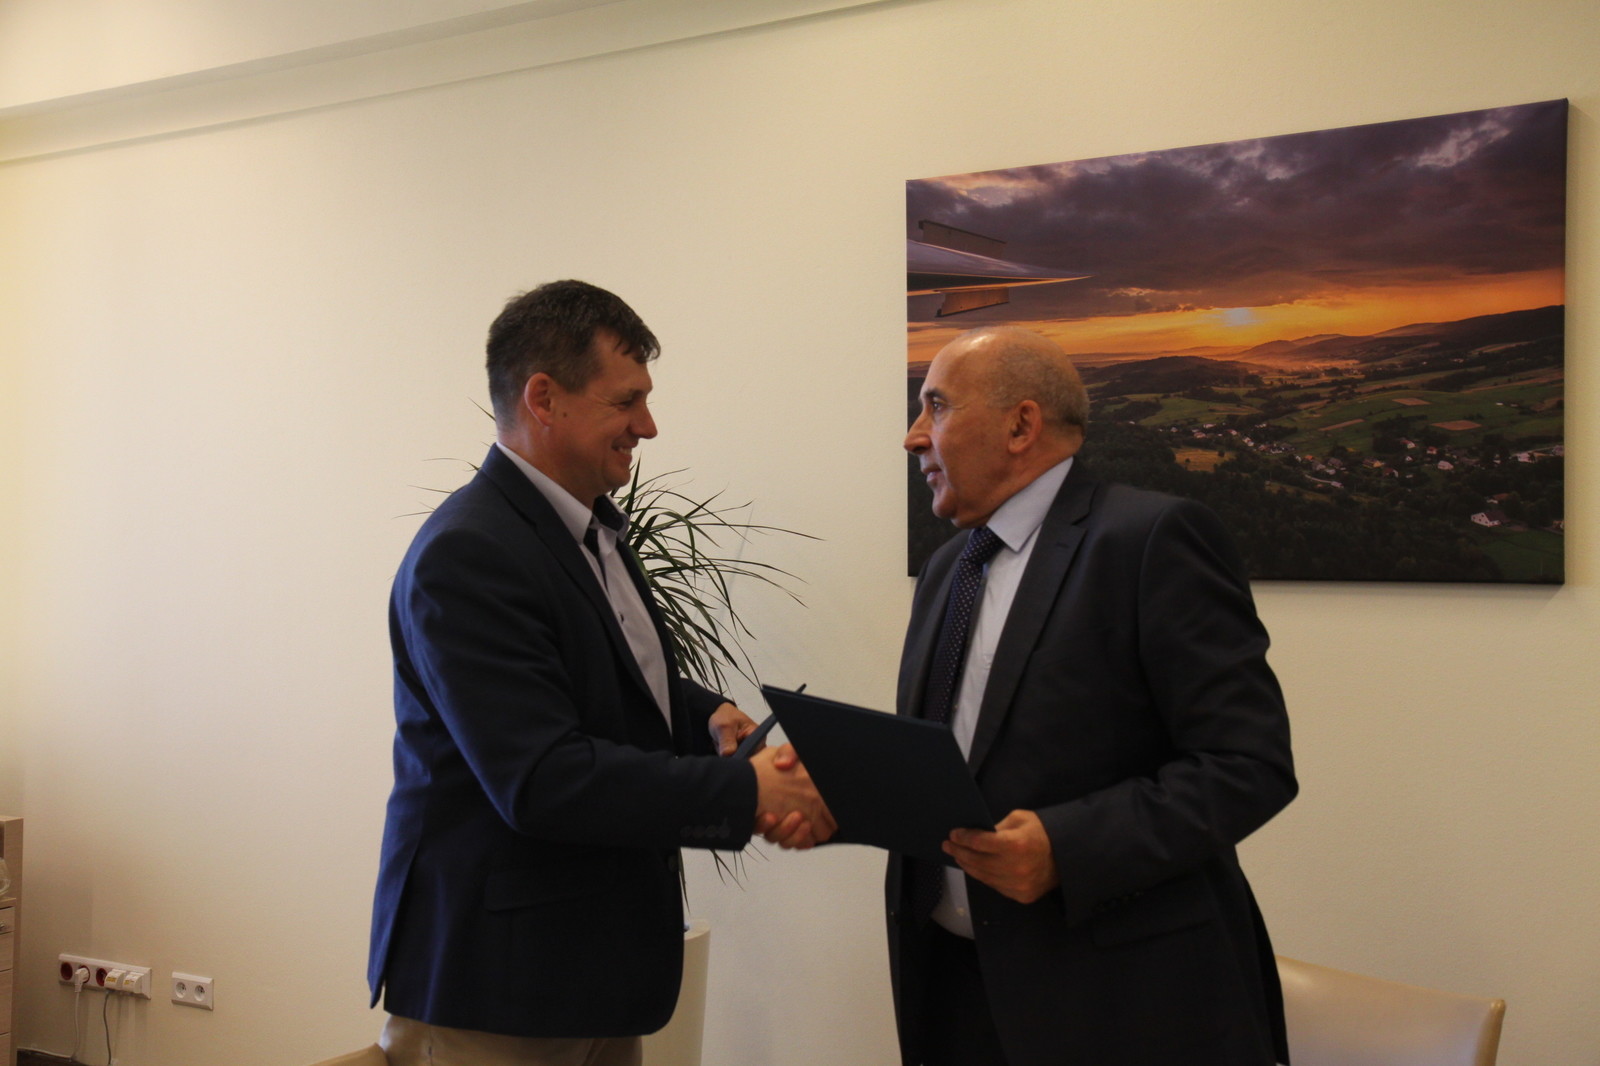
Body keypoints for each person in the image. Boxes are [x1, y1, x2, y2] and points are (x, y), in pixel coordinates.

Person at [367, 279, 832, 1066]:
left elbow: (599, 677)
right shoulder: (469, 552)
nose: (648, 426)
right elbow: (542, 777)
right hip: (500, 990)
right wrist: (750, 792)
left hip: (594, 974)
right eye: (627, 402)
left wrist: (703, 716)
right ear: (543, 399)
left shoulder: (590, 531)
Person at [888, 326, 1297, 1066]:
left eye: (936, 407)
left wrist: (1067, 849)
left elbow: (1249, 764)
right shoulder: (949, 567)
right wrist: (853, 787)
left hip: (1122, 1006)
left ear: (1021, 425)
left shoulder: (1151, 539)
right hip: (955, 997)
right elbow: (957, 758)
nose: (914, 436)